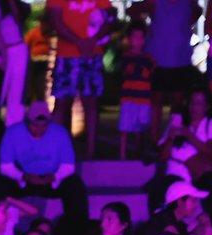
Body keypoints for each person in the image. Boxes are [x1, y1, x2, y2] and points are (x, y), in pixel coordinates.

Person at [0, 101, 90, 235]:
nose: (39, 129)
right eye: (35, 125)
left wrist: (55, 177)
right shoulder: (13, 133)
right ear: (27, 122)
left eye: (44, 125)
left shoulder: (60, 133)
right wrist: (22, 176)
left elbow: (69, 166)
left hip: (52, 179)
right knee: (0, 186)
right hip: (24, 179)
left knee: (75, 186)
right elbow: (5, 166)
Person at [45, 0, 112, 157]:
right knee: (61, 103)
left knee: (91, 102)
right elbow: (57, 22)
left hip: (92, 54)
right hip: (67, 55)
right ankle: (58, 151)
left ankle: (91, 150)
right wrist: (81, 43)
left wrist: (91, 41)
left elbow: (108, 19)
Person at [158, 87, 212, 227]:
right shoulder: (177, 123)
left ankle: (211, 229)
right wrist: (171, 138)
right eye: (192, 102)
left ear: (207, 106)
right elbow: (162, 157)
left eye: (199, 103)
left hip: (201, 173)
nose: (194, 107)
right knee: (160, 189)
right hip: (175, 173)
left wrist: (189, 135)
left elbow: (211, 151)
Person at [142, 0, 201, 144]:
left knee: (178, 103)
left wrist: (187, 25)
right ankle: (155, 139)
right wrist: (145, 31)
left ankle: (174, 139)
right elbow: (133, 10)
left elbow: (198, 10)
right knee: (157, 101)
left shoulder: (189, 2)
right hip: (158, 59)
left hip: (180, 58)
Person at [141, 181, 212, 235]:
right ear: (180, 201)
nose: (196, 206)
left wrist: (207, 224)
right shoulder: (164, 222)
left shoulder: (179, 224)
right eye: (193, 201)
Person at [118, 22, 154, 160]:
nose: (138, 40)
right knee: (125, 127)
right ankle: (122, 155)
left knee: (141, 127)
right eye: (135, 37)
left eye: (141, 37)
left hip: (144, 97)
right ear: (129, 38)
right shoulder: (126, 56)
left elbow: (150, 73)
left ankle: (139, 154)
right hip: (129, 97)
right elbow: (126, 72)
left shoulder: (148, 58)